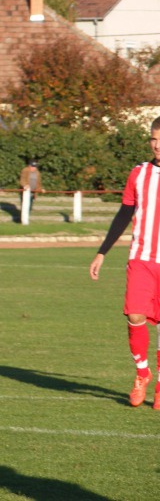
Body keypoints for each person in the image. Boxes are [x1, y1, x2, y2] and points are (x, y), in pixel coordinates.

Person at [90, 117, 160, 410]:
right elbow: (124, 213)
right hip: (142, 258)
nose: (157, 145)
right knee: (134, 315)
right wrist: (102, 251)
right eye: (154, 139)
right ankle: (142, 373)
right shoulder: (139, 173)